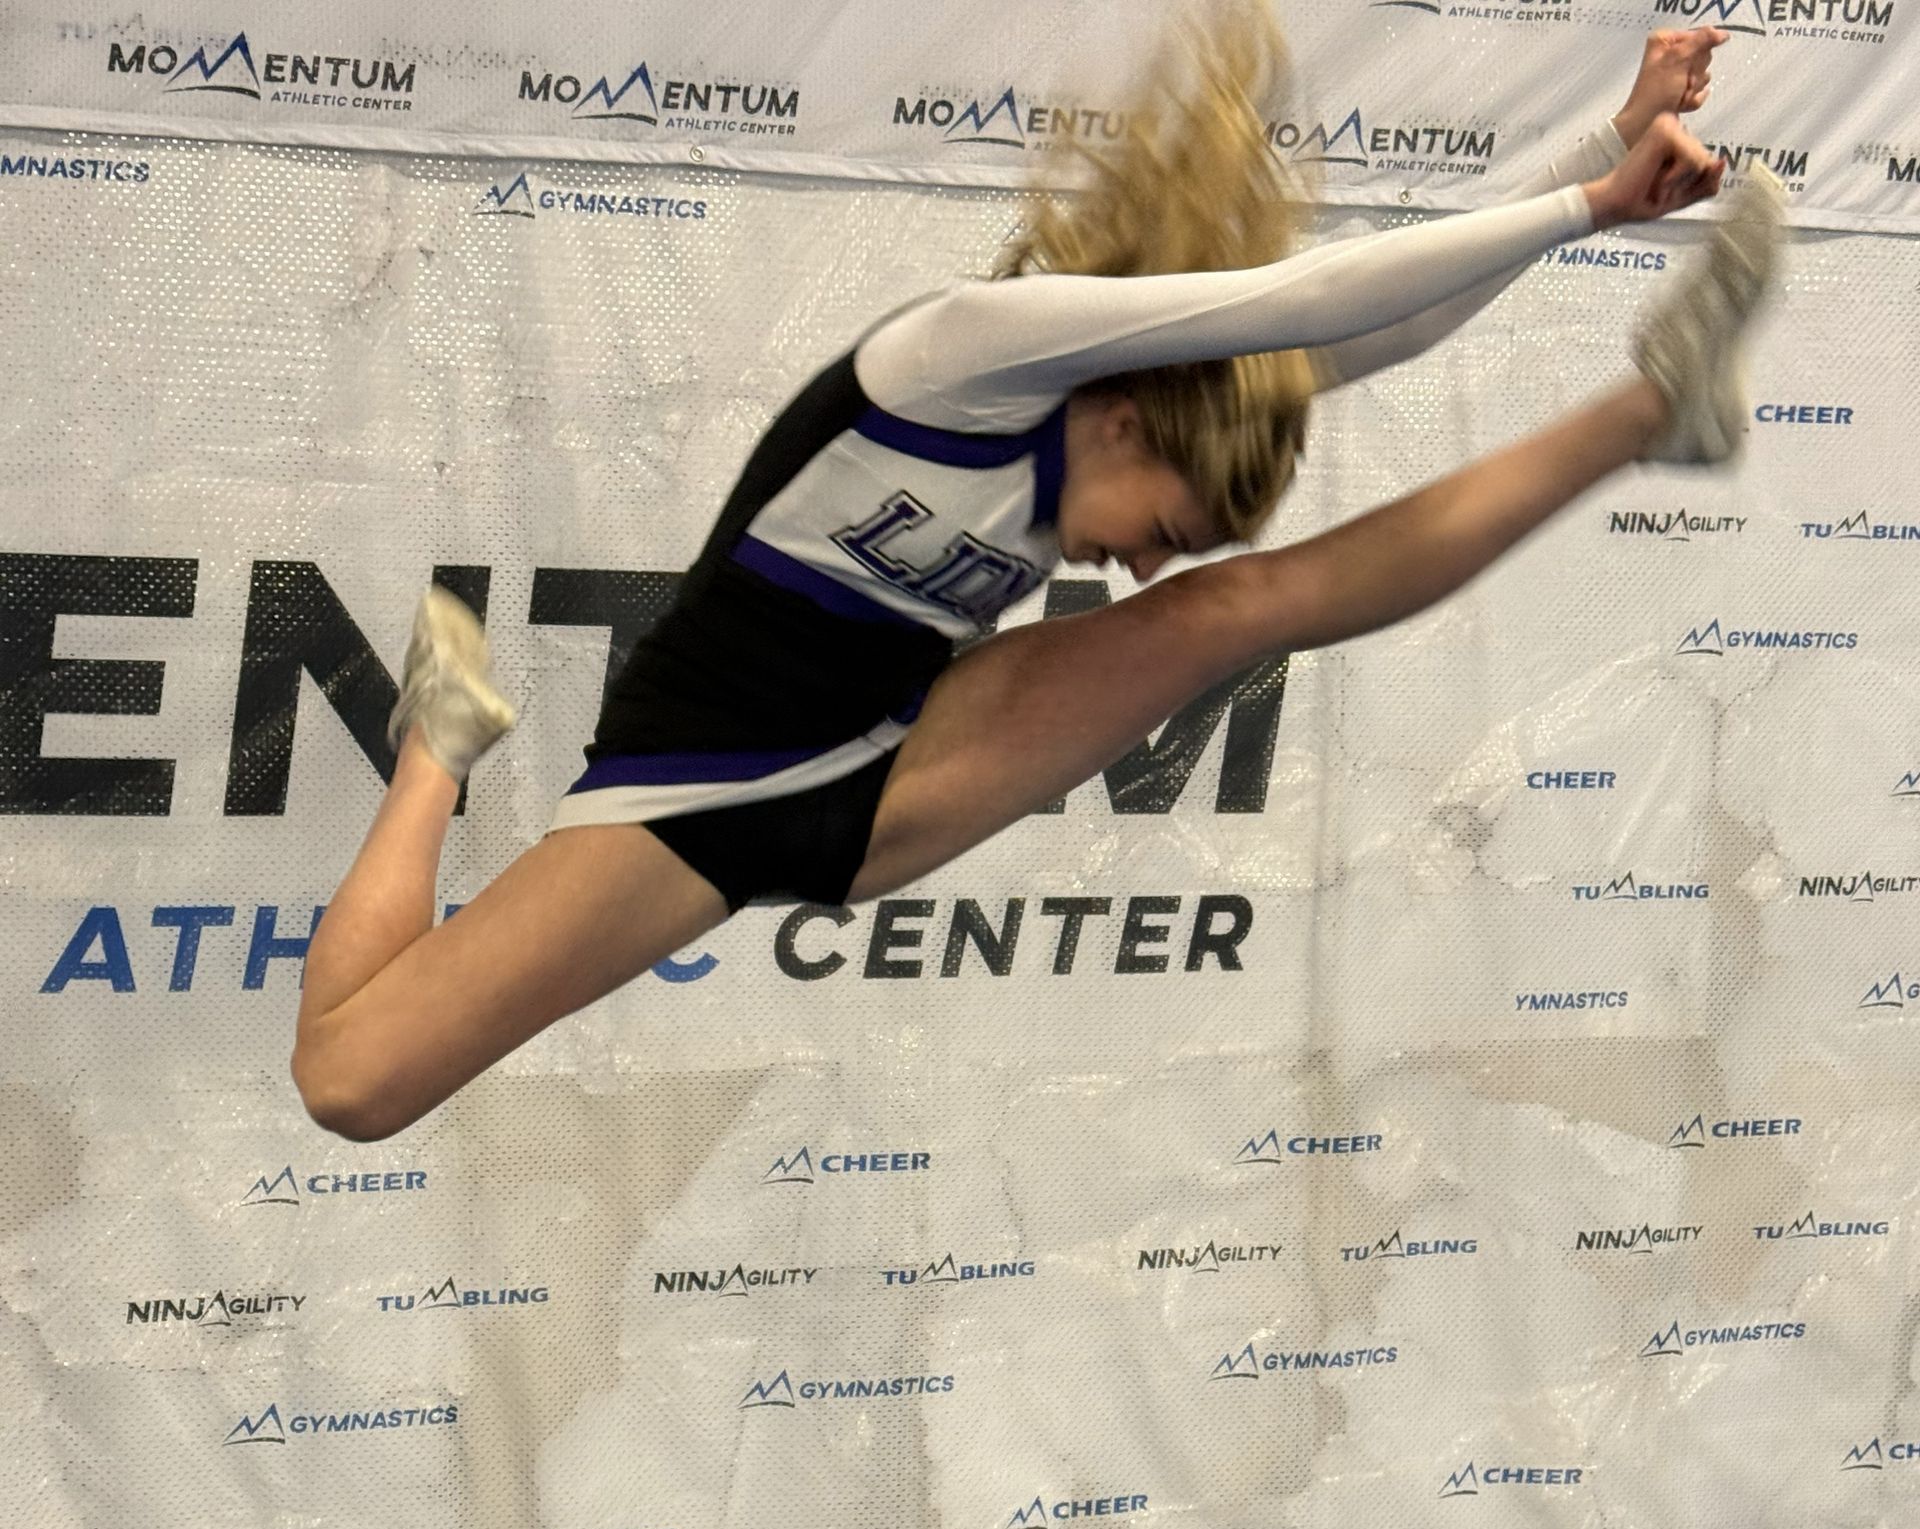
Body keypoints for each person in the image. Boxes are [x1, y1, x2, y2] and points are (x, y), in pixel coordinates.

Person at [291, 14, 1779, 1144]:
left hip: (890, 761)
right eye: (1163, 522)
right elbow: (1308, 296)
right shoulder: (959, 362)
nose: (1139, 563)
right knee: (354, 1081)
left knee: (1231, 613)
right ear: (1126, 416)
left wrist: (1603, 150)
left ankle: (1654, 409)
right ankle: (440, 740)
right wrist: (1591, 207)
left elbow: (1374, 328)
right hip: (696, 786)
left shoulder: (1149, 424)